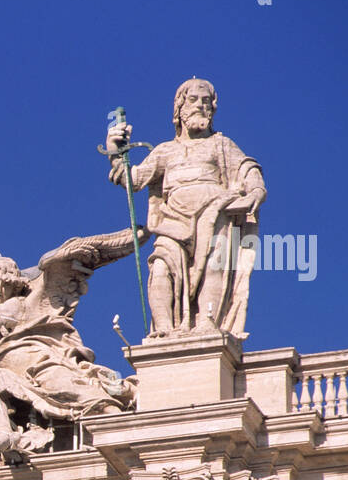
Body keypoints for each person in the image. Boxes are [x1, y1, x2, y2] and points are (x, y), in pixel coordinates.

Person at [0, 258, 134, 454]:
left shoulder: (14, 305)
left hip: (37, 365)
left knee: (68, 389)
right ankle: (6, 433)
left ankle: (111, 412)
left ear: (8, 284)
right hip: (9, 374)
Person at [106, 79, 266, 337]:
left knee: (214, 267)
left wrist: (256, 188)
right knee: (160, 268)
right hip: (172, 219)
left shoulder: (221, 144)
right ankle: (164, 331)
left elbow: (247, 167)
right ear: (179, 108)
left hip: (215, 213)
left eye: (206, 101)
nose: (201, 106)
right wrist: (116, 155)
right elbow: (133, 180)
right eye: (193, 100)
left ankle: (207, 324)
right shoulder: (165, 151)